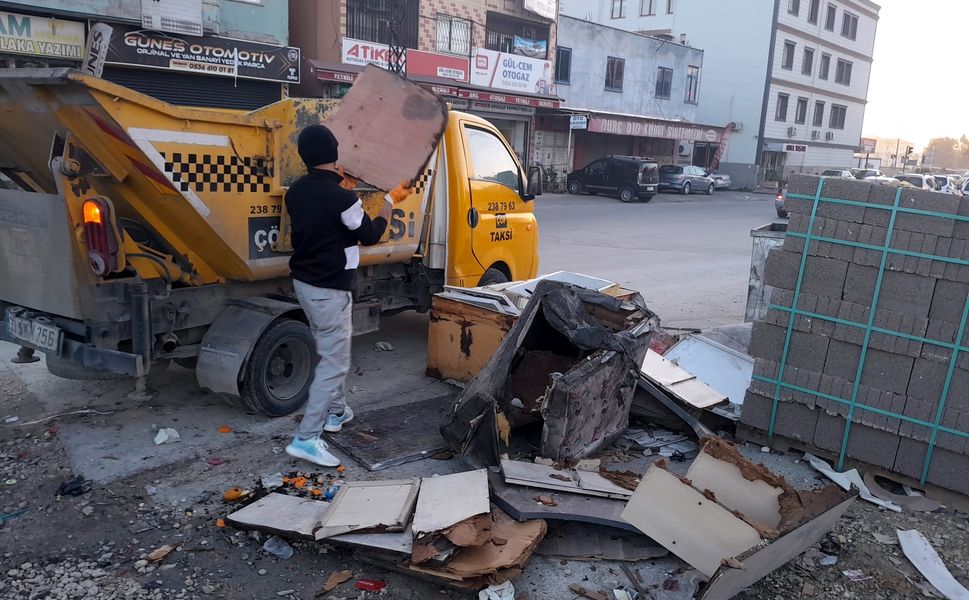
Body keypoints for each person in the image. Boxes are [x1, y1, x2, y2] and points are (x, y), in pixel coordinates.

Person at [283, 124, 395, 467]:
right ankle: (306, 437)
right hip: (329, 289)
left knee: (330, 351)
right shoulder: (343, 198)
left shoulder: (295, 192)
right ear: (334, 155)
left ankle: (336, 413)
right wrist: (388, 204)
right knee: (334, 362)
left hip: (306, 284)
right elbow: (370, 235)